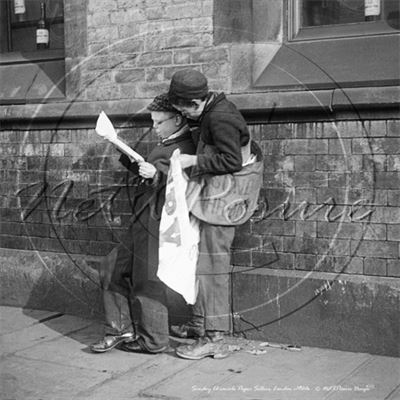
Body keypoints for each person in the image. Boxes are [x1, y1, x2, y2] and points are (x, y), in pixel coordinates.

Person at [90, 94, 195, 354]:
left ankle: (154, 341)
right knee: (112, 266)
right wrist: (123, 150)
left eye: (159, 122)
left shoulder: (188, 147)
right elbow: (152, 173)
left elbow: (186, 185)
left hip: (160, 222)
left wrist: (157, 175)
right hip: (143, 218)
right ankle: (120, 328)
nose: (154, 127)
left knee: (148, 282)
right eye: (153, 121)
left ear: (178, 119)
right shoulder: (168, 141)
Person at [167, 69, 251, 359]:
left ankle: (214, 337)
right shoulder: (211, 112)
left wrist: (195, 159)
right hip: (217, 197)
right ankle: (200, 323)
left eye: (181, 108)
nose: (180, 113)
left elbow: (232, 160)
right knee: (201, 261)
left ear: (194, 103)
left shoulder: (220, 117)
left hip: (224, 202)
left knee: (212, 265)